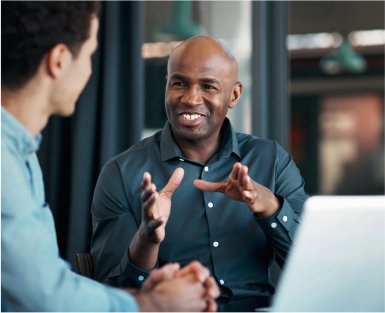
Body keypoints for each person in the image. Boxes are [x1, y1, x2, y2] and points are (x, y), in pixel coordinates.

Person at [1, 2, 219, 311]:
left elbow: (46, 283)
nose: (90, 69)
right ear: (59, 61)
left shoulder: (20, 153)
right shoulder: (5, 166)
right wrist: (153, 305)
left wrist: (139, 297)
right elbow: (42, 300)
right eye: (90, 54)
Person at [91, 35, 309, 311]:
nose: (191, 98)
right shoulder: (121, 173)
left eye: (208, 86)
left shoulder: (271, 160)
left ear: (234, 94)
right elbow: (114, 296)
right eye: (179, 83)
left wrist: (271, 208)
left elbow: (309, 268)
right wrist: (146, 238)